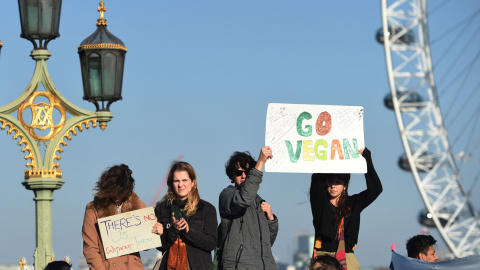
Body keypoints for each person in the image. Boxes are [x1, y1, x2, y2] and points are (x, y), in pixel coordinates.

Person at [310, 148, 382, 270]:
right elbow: (316, 181)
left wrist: (367, 159)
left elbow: (376, 189)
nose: (333, 185)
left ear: (345, 186)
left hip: (347, 257)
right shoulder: (320, 203)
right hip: (323, 257)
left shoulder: (354, 203)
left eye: (338, 182)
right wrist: (327, 154)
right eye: (330, 182)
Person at [218, 146, 278, 270]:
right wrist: (260, 163)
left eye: (247, 172)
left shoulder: (258, 202)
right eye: (239, 172)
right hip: (238, 265)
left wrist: (271, 219)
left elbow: (267, 243)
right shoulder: (227, 195)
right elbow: (244, 198)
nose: (244, 176)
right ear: (232, 175)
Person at [152, 161, 218, 270]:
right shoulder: (161, 208)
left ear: (193, 182)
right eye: (176, 181)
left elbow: (211, 243)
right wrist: (173, 230)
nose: (180, 184)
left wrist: (188, 231)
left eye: (184, 180)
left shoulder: (206, 209)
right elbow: (160, 246)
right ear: (170, 183)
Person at [82, 164, 146, 270]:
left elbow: (146, 245)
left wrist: (155, 230)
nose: (116, 195)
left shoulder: (138, 205)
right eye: (112, 190)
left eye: (120, 191)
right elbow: (90, 249)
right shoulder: (93, 209)